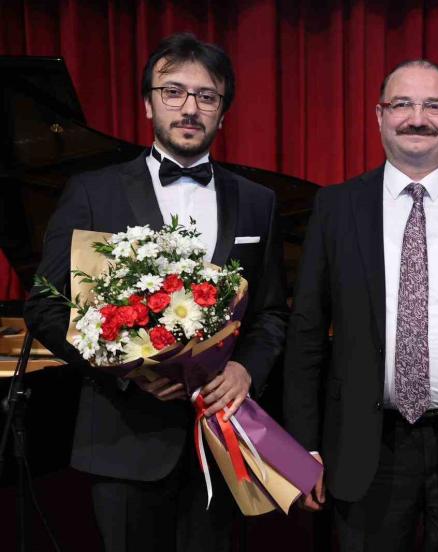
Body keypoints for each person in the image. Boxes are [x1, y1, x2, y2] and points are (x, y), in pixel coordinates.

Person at [24, 33, 289, 552]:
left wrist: (244, 369)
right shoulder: (93, 192)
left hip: (222, 441)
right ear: (148, 104)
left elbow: (272, 312)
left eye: (206, 96)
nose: (190, 108)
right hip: (124, 439)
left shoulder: (259, 202)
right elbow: (46, 305)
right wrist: (129, 370)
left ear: (223, 113)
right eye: (173, 92)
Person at [283, 59, 438, 551]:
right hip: (363, 444)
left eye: (434, 106)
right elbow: (307, 332)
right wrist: (303, 446)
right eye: (402, 104)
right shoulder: (336, 208)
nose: (417, 118)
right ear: (380, 115)